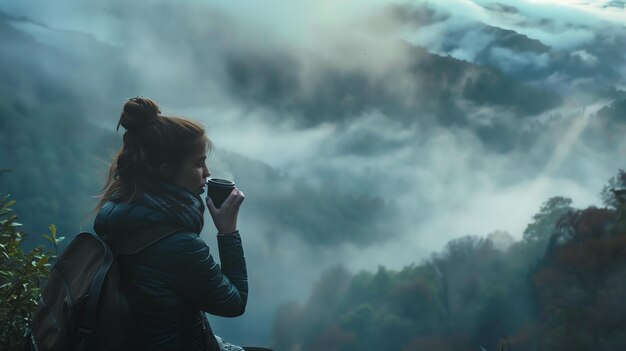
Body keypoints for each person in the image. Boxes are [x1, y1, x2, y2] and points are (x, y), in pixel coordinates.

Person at [87, 97, 247, 350]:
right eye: (198, 163)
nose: (207, 172)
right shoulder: (179, 245)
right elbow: (234, 303)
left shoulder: (115, 215)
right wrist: (228, 232)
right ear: (165, 169)